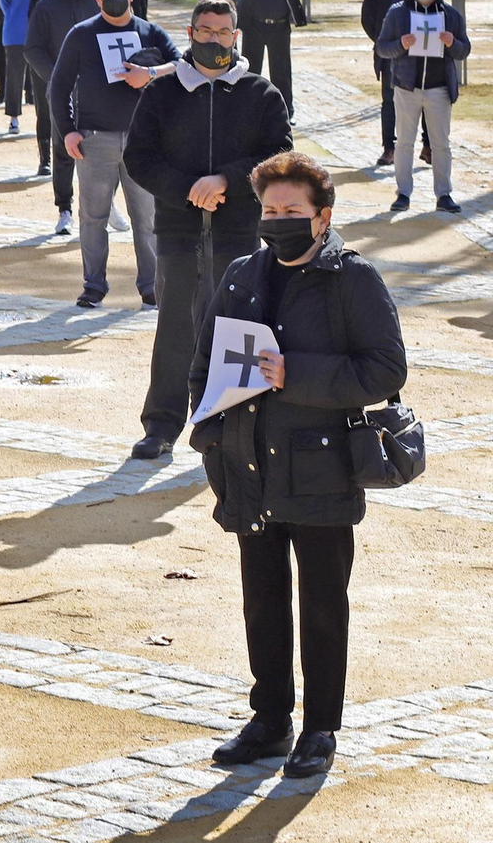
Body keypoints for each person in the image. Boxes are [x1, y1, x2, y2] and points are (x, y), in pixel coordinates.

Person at [192, 151, 406, 781]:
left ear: (323, 217)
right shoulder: (241, 274)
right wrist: (206, 430)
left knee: (321, 603)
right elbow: (205, 361)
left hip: (322, 468)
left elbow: (386, 370)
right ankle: (269, 717)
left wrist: (296, 375)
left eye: (292, 211)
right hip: (249, 462)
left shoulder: (353, 280)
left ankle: (319, 729)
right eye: (270, 210)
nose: (279, 220)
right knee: (260, 599)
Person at [124, 0, 293, 460]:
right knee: (175, 326)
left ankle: (229, 422)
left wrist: (227, 182)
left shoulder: (261, 93)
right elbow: (138, 158)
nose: (214, 39)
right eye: (205, 31)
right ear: (191, 33)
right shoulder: (162, 92)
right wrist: (187, 189)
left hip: (238, 230)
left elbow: (279, 154)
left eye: (222, 32)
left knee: (236, 330)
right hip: (178, 231)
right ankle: (161, 425)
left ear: (235, 37)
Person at [47, 0, 181, 309]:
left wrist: (149, 73)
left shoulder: (151, 32)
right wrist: (68, 131)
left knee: (147, 218)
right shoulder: (81, 34)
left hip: (144, 143)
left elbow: (184, 65)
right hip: (95, 141)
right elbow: (57, 87)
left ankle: (151, 287)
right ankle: (94, 285)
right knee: (93, 218)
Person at [374, 0, 472, 215]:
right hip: (407, 88)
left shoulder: (450, 14)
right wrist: (400, 44)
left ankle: (444, 194)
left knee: (441, 144)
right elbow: (382, 48)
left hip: (439, 89)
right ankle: (403, 193)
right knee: (404, 143)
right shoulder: (397, 13)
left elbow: (464, 49)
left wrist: (452, 43)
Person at [25, 0, 99, 233]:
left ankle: (106, 204)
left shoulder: (96, 2)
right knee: (64, 149)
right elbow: (32, 49)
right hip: (62, 93)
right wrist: (58, 78)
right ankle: (64, 208)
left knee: (103, 150)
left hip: (96, 91)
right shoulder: (45, 7)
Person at [236, 0, 303, 123]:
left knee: (281, 71)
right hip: (255, 26)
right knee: (251, 69)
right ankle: (249, 109)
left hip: (279, 27)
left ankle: (285, 111)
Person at [359, 0, 412, 167]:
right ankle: (389, 147)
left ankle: (426, 145)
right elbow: (368, 21)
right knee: (389, 102)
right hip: (390, 55)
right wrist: (386, 43)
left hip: (418, 54)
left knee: (423, 101)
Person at [0, 0, 46, 139]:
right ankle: (14, 117)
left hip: (39, 34)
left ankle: (44, 119)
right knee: (14, 76)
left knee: (42, 78)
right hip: (15, 33)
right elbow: (5, 4)